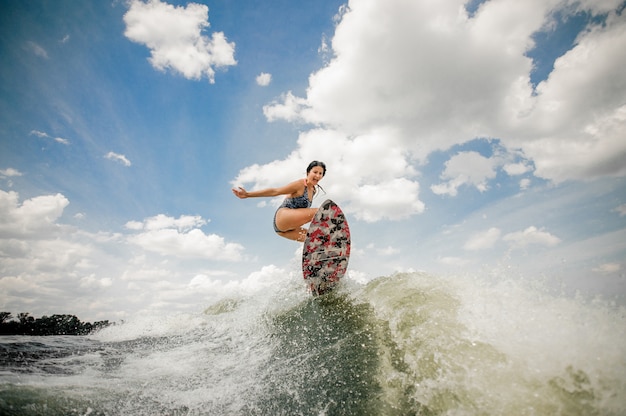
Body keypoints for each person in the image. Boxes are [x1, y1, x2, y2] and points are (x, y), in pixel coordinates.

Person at [232, 161, 326, 242]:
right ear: (308, 172)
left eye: (320, 173)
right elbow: (275, 191)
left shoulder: (314, 190)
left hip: (284, 231)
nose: (318, 175)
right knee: (323, 211)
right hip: (282, 217)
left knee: (317, 239)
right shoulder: (300, 184)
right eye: (315, 172)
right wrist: (248, 194)